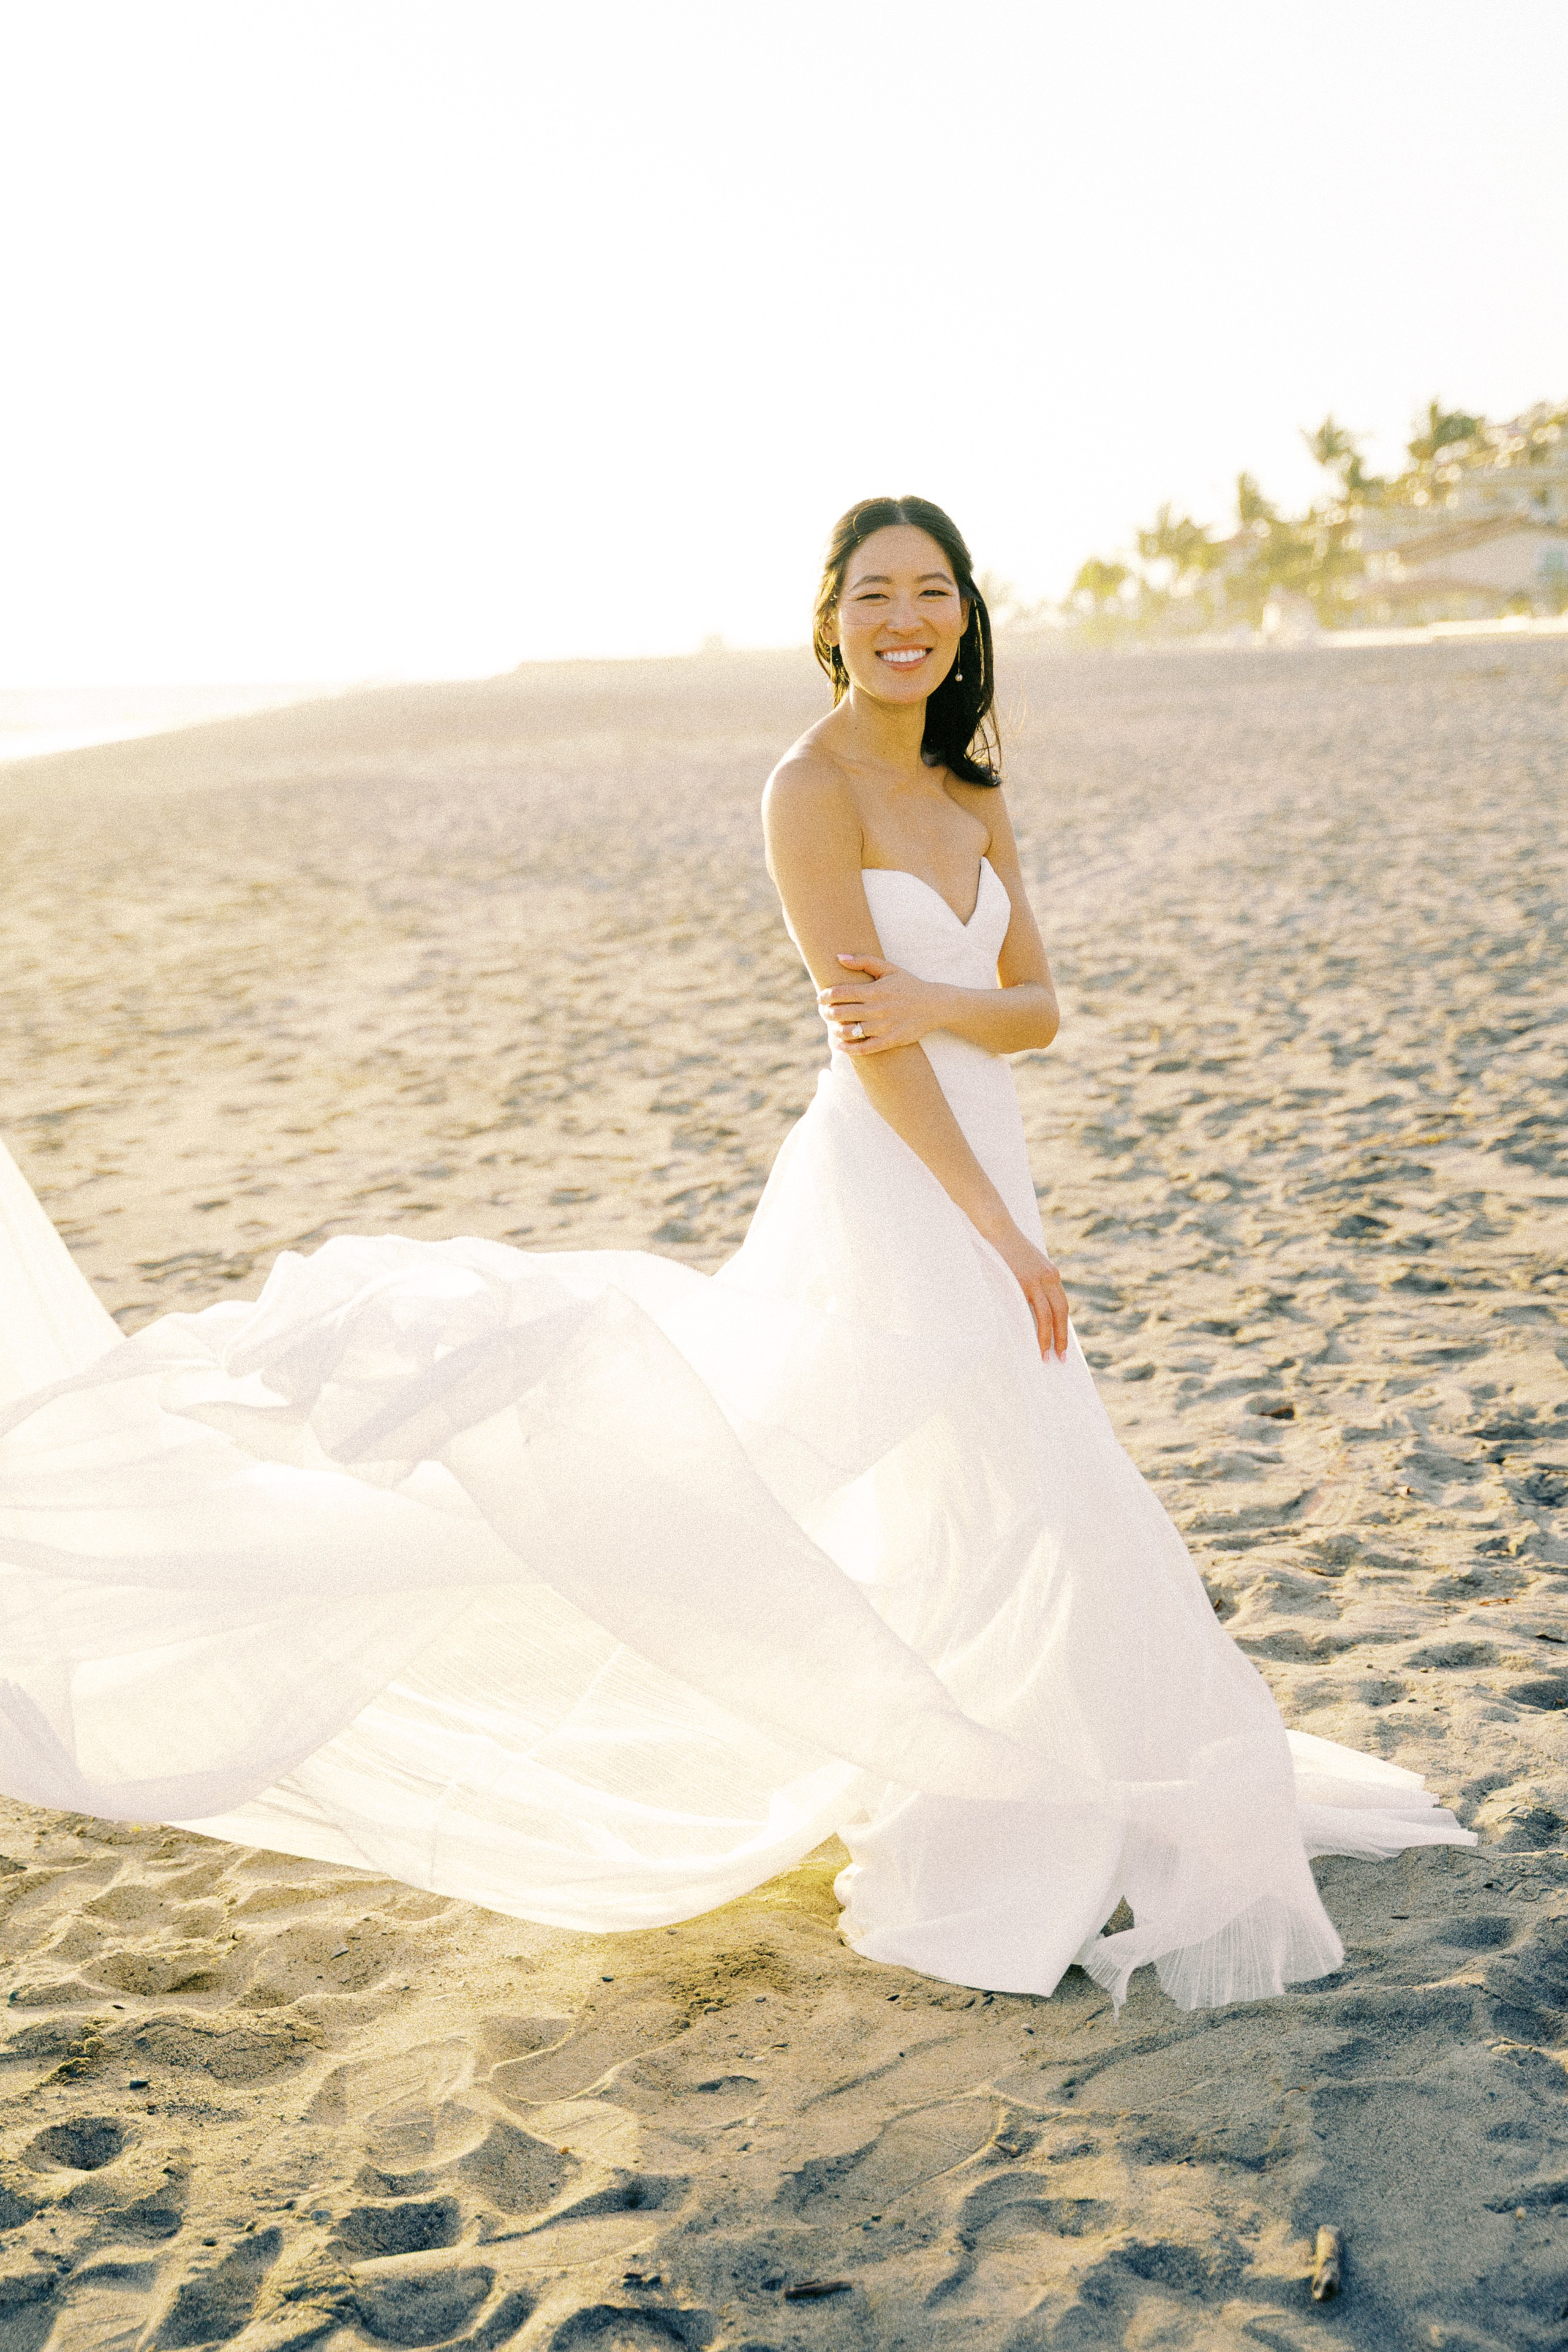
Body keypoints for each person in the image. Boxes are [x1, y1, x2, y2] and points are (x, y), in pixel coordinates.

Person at [0, 496, 1470, 2012]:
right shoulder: (807, 787)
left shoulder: (967, 779)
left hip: (979, 1153)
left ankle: (1039, 1774)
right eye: (875, 593)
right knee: (953, 1463)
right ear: (828, 618)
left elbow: (1035, 1008)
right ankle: (1000, 1791)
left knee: (1003, 1477)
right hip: (899, 1177)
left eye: (934, 591)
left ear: (966, 613)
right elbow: (869, 1048)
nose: (908, 617)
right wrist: (989, 1222)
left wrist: (936, 1002)